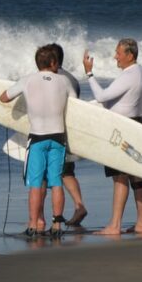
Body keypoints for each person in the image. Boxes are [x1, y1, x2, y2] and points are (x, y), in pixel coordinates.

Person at [0, 45, 75, 238]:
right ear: (52, 63)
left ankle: (33, 225)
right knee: (56, 181)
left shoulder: (27, 80)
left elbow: (4, 97)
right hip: (58, 137)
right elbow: (76, 107)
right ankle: (57, 225)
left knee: (35, 183)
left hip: (37, 138)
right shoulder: (65, 82)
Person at [82, 38, 142, 235]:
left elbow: (101, 97)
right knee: (137, 177)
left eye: (118, 53)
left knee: (119, 177)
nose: (116, 57)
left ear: (130, 55)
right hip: (136, 125)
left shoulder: (129, 74)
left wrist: (89, 73)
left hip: (121, 130)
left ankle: (114, 225)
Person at [43, 43, 87, 228]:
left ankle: (43, 219)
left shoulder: (54, 80)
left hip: (54, 132)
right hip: (69, 132)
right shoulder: (71, 79)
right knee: (67, 172)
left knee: (47, 175)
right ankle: (78, 205)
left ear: (52, 60)